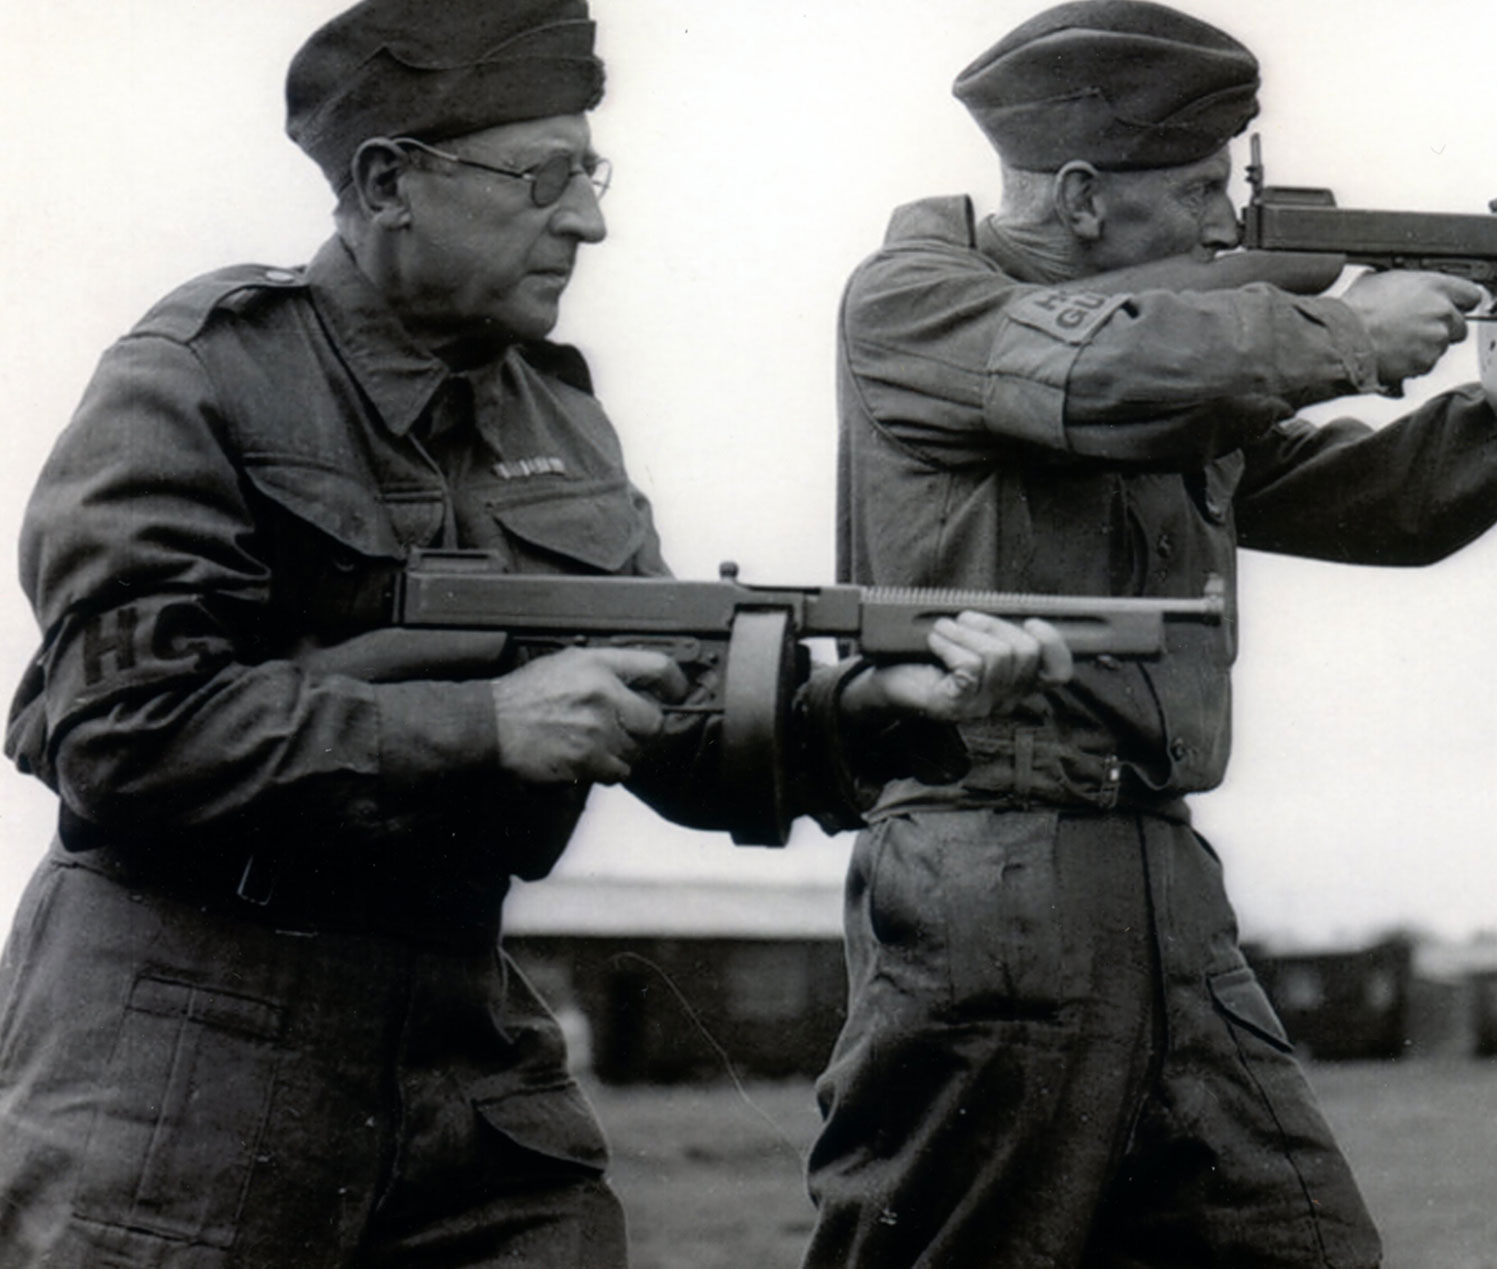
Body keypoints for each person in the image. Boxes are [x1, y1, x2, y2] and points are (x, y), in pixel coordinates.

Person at [0, 2, 1071, 1266]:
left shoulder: (554, 413)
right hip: (186, 1031)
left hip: (459, 1025)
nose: (588, 218)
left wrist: (875, 707)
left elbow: (669, 715)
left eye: (591, 173)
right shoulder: (197, 375)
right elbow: (120, 733)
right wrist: (486, 725)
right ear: (390, 181)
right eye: (542, 174)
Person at [813, 2, 1497, 1266]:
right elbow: (1105, 371)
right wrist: (1352, 336)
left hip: (1158, 875)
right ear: (1083, 196)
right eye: (1201, 189)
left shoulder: (1176, 366)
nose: (1224, 224)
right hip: (987, 869)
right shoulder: (916, 305)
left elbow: (1382, 506)